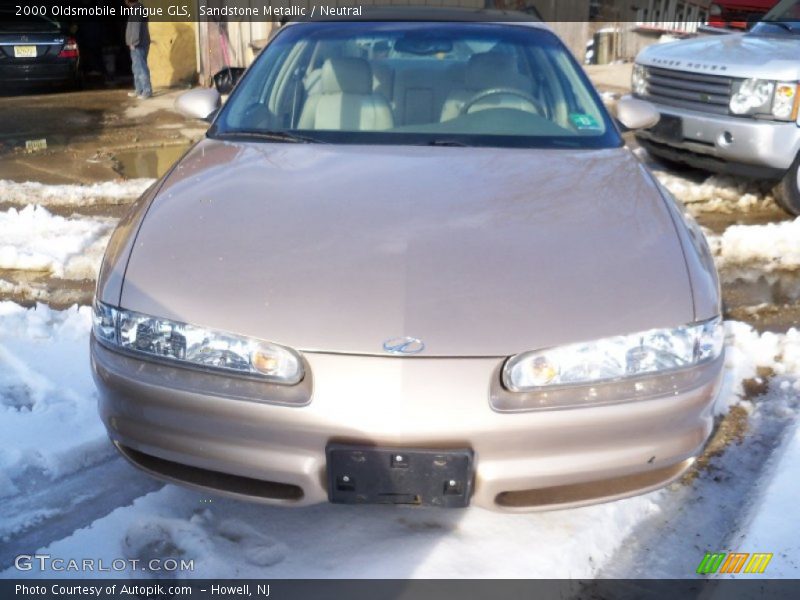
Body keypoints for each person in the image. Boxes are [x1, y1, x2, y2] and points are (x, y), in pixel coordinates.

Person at [125, 0, 152, 99]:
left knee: (141, 68)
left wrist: (133, 42)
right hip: (138, 44)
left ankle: (146, 91)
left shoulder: (137, 10)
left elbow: (136, 28)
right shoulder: (136, 9)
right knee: (136, 68)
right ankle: (139, 90)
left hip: (138, 44)